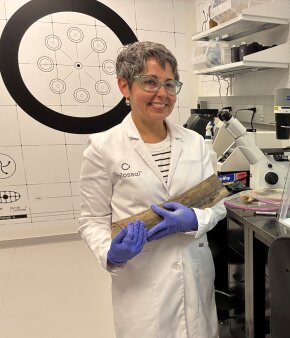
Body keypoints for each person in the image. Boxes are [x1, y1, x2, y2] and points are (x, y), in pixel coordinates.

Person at [78, 41, 226, 338]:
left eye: (170, 84)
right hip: (141, 283)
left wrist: (194, 220)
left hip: (195, 276)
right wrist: (112, 254)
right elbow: (91, 219)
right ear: (124, 86)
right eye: (150, 82)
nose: (163, 94)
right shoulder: (103, 147)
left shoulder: (194, 142)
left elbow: (217, 205)